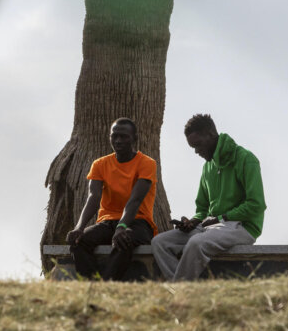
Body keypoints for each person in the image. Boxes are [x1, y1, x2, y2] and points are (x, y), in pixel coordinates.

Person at [152, 113, 266, 281]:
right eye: (193, 148)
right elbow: (203, 209)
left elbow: (256, 205)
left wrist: (221, 217)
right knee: (159, 243)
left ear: (211, 134)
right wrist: (192, 222)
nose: (196, 151)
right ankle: (185, 288)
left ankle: (180, 294)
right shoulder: (207, 167)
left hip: (243, 227)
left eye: (198, 145)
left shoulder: (245, 159)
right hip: (211, 227)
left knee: (196, 243)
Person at [66, 117, 157, 280]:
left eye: (124, 136)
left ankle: (107, 284)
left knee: (124, 239)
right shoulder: (100, 164)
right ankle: (92, 283)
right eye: (114, 136)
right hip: (107, 223)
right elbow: (94, 197)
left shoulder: (146, 163)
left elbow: (135, 200)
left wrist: (122, 226)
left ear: (134, 138)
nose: (118, 140)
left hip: (138, 222)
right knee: (79, 242)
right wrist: (79, 227)